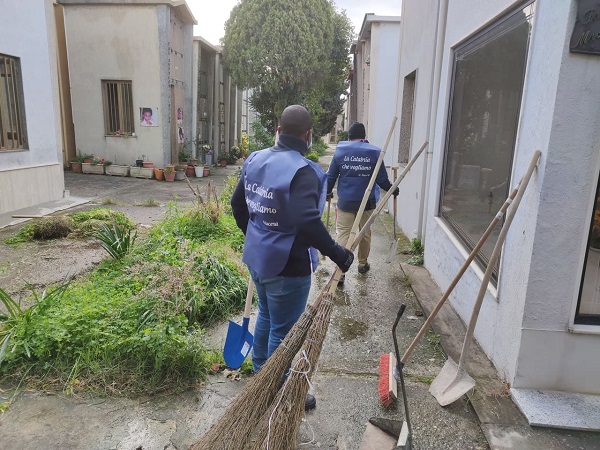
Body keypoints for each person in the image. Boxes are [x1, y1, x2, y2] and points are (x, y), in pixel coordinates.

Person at [231, 105, 354, 411]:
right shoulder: (305, 171)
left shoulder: (255, 159)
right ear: (309, 135)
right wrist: (338, 253)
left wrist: (258, 235)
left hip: (258, 260)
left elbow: (237, 205)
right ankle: (278, 389)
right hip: (288, 268)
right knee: (282, 332)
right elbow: (306, 222)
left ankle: (262, 375)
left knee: (269, 318)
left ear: (278, 129)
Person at [326, 122, 398, 282]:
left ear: (349, 137)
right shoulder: (375, 152)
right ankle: (362, 264)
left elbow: (331, 177)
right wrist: (393, 189)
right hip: (367, 203)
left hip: (345, 202)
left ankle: (340, 272)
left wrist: (327, 191)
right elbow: (382, 181)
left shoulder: (340, 151)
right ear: (364, 137)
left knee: (343, 233)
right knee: (364, 233)